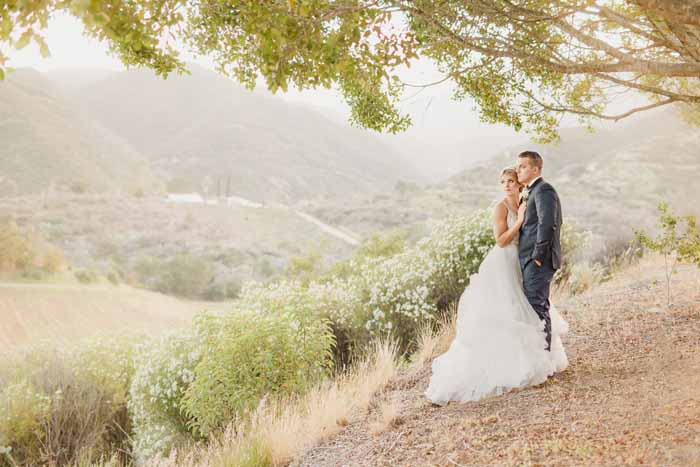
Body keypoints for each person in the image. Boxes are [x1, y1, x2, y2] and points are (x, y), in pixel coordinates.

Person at [424, 165, 568, 406]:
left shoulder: (526, 199)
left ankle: (538, 358)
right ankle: (511, 365)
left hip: (523, 262)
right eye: (504, 182)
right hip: (504, 261)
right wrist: (519, 221)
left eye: (511, 181)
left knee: (529, 308)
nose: (507, 185)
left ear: (519, 184)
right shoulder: (501, 207)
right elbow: (501, 240)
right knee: (507, 311)